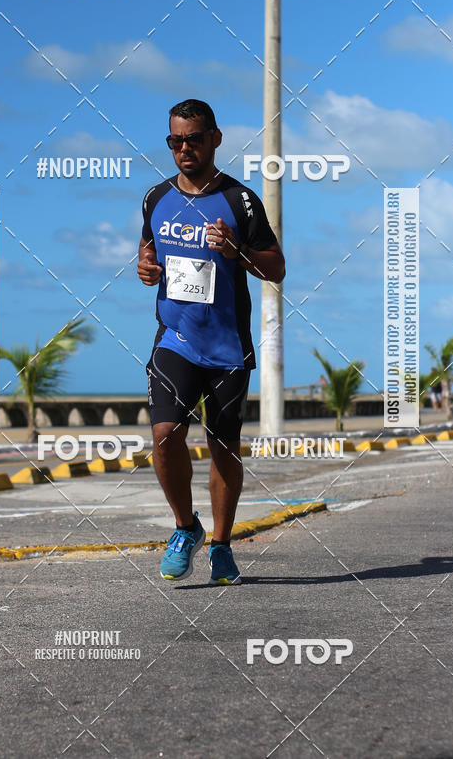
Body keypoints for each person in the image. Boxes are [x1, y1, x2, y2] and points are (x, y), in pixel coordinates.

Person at [138, 98, 285, 585]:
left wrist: (237, 249)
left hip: (227, 347)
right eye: (175, 140)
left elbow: (276, 269)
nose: (184, 149)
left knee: (225, 446)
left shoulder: (241, 202)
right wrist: (144, 268)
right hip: (175, 340)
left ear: (215, 139)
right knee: (164, 435)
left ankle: (221, 543)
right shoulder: (155, 198)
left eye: (193, 139)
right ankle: (186, 527)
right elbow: (147, 254)